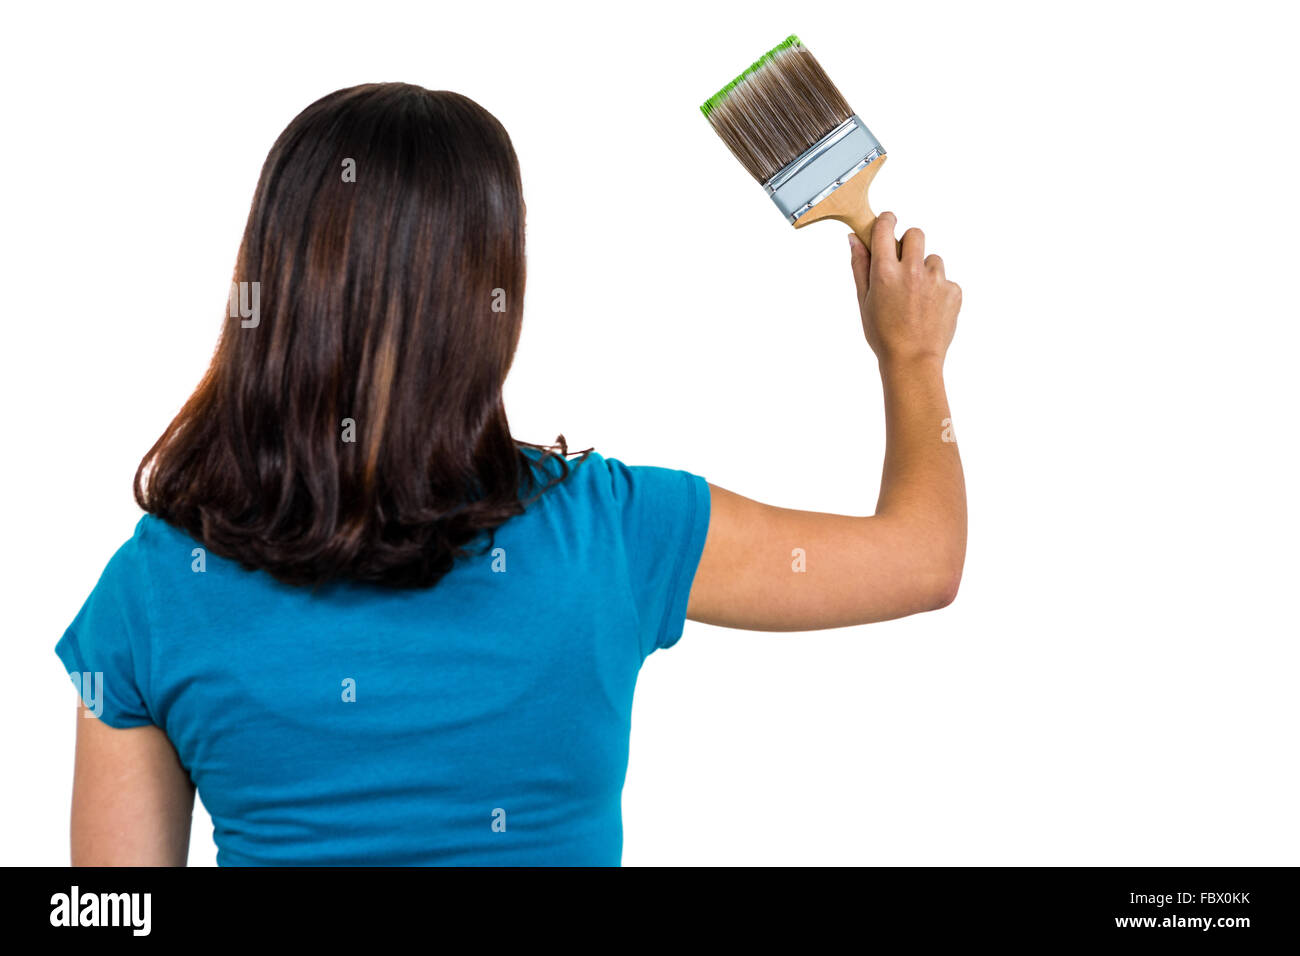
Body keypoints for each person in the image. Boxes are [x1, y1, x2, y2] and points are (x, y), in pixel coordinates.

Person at [56, 83, 965, 866]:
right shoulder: (610, 531)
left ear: (274, 277)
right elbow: (923, 560)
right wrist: (912, 357)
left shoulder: (154, 586)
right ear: (491, 290)